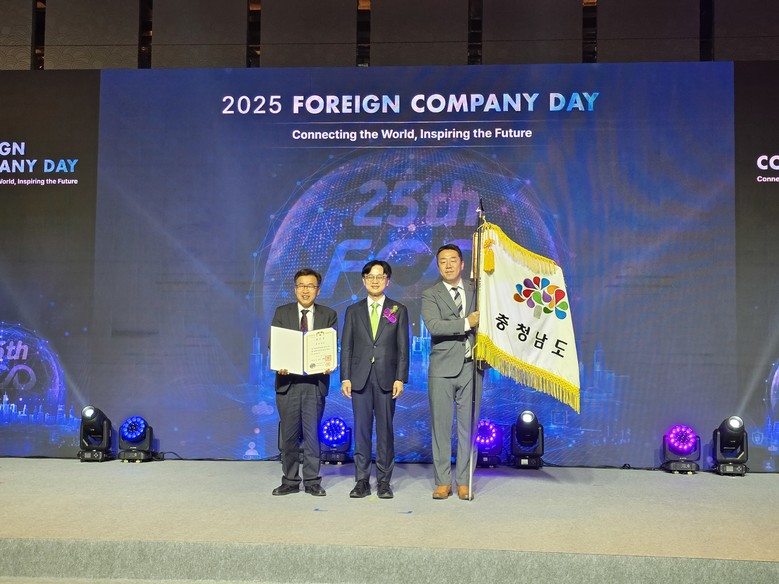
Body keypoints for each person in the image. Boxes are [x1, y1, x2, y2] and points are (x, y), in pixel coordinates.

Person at [340, 260, 409, 499]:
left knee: (385, 431)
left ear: (387, 281)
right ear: (364, 280)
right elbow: (346, 347)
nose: (375, 280)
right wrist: (345, 377)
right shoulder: (353, 310)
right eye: (370, 276)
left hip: (387, 379)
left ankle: (384, 482)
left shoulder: (398, 310)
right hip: (359, 379)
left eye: (380, 276)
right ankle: (361, 481)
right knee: (361, 431)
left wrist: (400, 378)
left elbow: (403, 348)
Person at [421, 243, 481, 500]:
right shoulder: (430, 294)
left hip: (472, 367)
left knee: (468, 428)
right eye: (443, 261)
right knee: (441, 428)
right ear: (438, 266)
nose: (448, 265)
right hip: (442, 369)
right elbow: (434, 326)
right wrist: (467, 322)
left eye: (453, 260)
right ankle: (443, 482)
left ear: (462, 263)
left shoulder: (478, 289)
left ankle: (464, 481)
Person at [270, 268, 337, 497]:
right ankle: (290, 481)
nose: (305, 290)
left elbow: (331, 345)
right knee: (288, 437)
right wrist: (279, 361)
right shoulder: (282, 312)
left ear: (318, 290)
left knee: (312, 436)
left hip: (314, 384)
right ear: (295, 288)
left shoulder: (328, 314)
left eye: (310, 286)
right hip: (288, 383)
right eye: (301, 285)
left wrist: (329, 362)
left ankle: (312, 481)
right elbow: (274, 344)